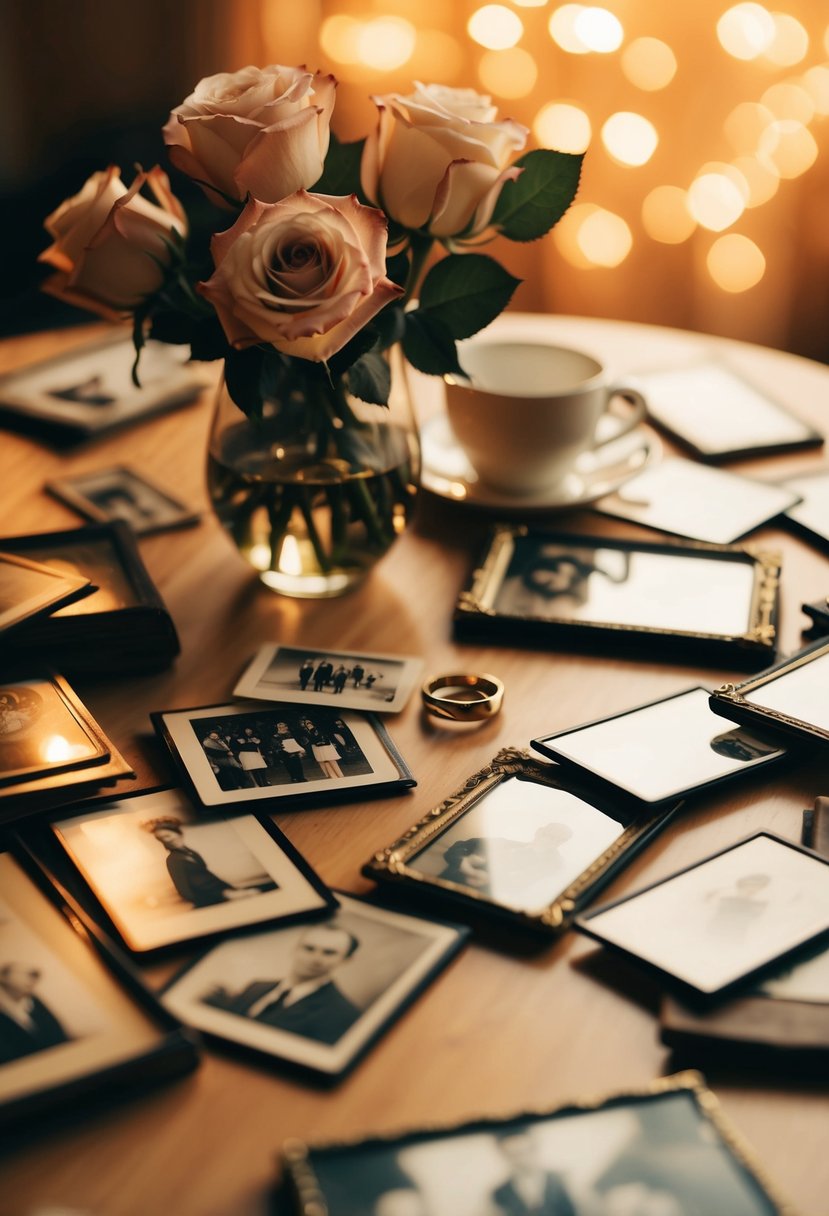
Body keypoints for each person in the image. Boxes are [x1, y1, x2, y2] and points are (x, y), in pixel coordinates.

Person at [203, 923, 361, 1045]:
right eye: (309, 948)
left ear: (346, 960)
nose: (315, 958)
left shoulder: (343, 1013)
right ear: (295, 949)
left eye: (329, 952)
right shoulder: (256, 986)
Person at [143, 817, 269, 907]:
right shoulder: (173, 860)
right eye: (161, 839)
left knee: (260, 892)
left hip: (223, 891)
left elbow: (207, 875)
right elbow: (183, 890)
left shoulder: (190, 852)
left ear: (178, 834)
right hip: (211, 898)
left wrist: (231, 890)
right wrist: (218, 898)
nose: (166, 841)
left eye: (167, 836)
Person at [490, 1127, 577, 1216]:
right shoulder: (500, 1193)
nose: (521, 1159)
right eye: (513, 1155)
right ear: (504, 1156)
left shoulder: (560, 1179)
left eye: (523, 1151)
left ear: (534, 1149)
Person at [0, 962, 71, 1064]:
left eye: (34, 975)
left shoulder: (34, 1002)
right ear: (4, 977)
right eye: (24, 973)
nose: (32, 979)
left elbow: (58, 1033)